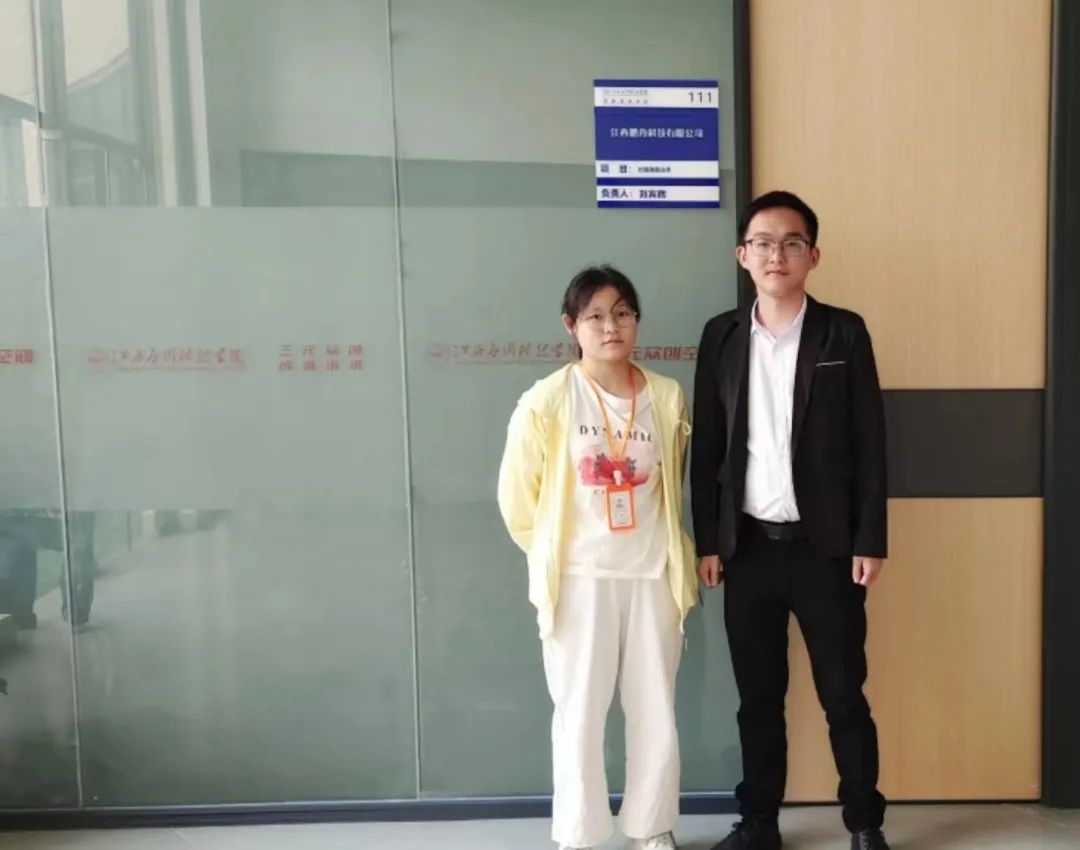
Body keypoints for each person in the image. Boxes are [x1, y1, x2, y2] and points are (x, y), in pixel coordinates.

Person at [691, 192, 890, 850]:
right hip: (747, 547)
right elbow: (708, 447)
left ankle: (865, 823)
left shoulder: (843, 332)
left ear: (813, 255)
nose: (777, 255)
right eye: (763, 243)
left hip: (827, 550)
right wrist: (708, 541)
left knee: (844, 695)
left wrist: (869, 538)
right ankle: (759, 822)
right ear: (742, 255)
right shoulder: (721, 336)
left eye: (791, 243)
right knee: (757, 698)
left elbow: (870, 442)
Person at [498, 265, 697, 850]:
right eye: (596, 316)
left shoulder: (665, 395)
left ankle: (651, 826)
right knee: (579, 714)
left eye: (623, 313)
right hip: (579, 579)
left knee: (655, 708)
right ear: (572, 325)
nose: (611, 326)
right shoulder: (548, 400)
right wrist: (555, 554)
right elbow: (517, 501)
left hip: (652, 575)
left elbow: (672, 483)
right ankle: (579, 834)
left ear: (636, 321)